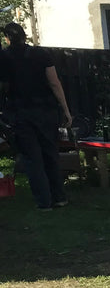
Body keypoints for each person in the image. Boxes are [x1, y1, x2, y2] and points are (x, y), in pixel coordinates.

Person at [0, 22, 73, 210]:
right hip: (46, 111)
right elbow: (54, 83)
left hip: (20, 112)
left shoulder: (5, 57)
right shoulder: (41, 54)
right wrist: (65, 109)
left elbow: (4, 87)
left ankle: (44, 202)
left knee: (32, 158)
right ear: (25, 36)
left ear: (7, 38)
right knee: (50, 154)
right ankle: (60, 197)